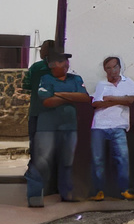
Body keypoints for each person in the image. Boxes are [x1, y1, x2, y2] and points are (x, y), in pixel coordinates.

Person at [28, 52, 90, 207]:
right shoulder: (45, 79)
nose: (67, 64)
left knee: (68, 161)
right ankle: (35, 196)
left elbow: (84, 98)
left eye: (67, 61)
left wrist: (59, 94)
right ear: (52, 65)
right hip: (46, 128)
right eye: (62, 61)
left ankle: (67, 194)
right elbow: (47, 101)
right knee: (41, 161)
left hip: (70, 126)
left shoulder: (76, 78)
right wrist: (72, 96)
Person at [88, 56, 134, 201]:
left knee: (122, 159)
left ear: (120, 67)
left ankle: (124, 190)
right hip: (99, 125)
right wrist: (119, 100)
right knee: (97, 159)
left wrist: (110, 99)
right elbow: (96, 104)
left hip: (119, 126)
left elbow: (131, 100)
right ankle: (98, 191)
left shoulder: (129, 83)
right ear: (105, 70)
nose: (112, 71)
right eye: (109, 68)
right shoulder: (101, 84)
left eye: (115, 67)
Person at [23, 39, 57, 188]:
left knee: (35, 144)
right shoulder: (61, 68)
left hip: (37, 112)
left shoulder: (36, 68)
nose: (42, 51)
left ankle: (34, 175)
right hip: (54, 114)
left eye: (42, 48)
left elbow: (26, 85)